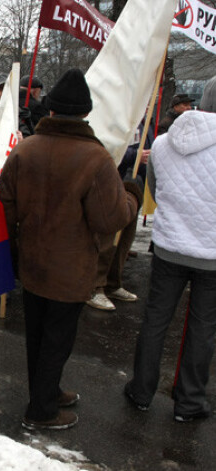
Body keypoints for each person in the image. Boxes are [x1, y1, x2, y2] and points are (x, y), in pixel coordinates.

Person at [0, 69, 141, 431]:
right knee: (58, 339)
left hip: (32, 262)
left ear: (52, 109)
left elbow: (5, 205)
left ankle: (46, 391)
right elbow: (110, 219)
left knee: (39, 335)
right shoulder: (96, 159)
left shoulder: (25, 149)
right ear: (85, 113)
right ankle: (41, 410)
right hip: (70, 267)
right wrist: (132, 196)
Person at [124, 76, 216, 422]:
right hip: (211, 255)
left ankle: (141, 390)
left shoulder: (162, 144)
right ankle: (190, 401)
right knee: (202, 328)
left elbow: (156, 188)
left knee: (155, 320)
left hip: (168, 247)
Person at [88, 118, 154, 311]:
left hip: (131, 184)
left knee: (124, 239)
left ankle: (112, 282)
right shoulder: (121, 110)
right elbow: (104, 147)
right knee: (107, 238)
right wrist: (134, 155)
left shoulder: (144, 121)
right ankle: (95, 286)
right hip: (108, 183)